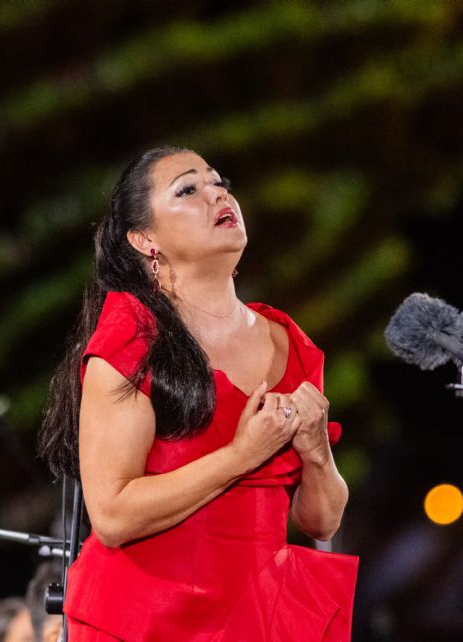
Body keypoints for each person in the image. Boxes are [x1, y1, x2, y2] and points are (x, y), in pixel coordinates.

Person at [39, 146, 358, 641]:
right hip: (145, 619)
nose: (217, 193)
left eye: (218, 181)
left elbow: (321, 521)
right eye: (189, 189)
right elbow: (113, 514)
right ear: (145, 240)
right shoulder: (133, 335)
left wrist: (317, 454)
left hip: (256, 617)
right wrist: (241, 455)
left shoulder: (290, 343)